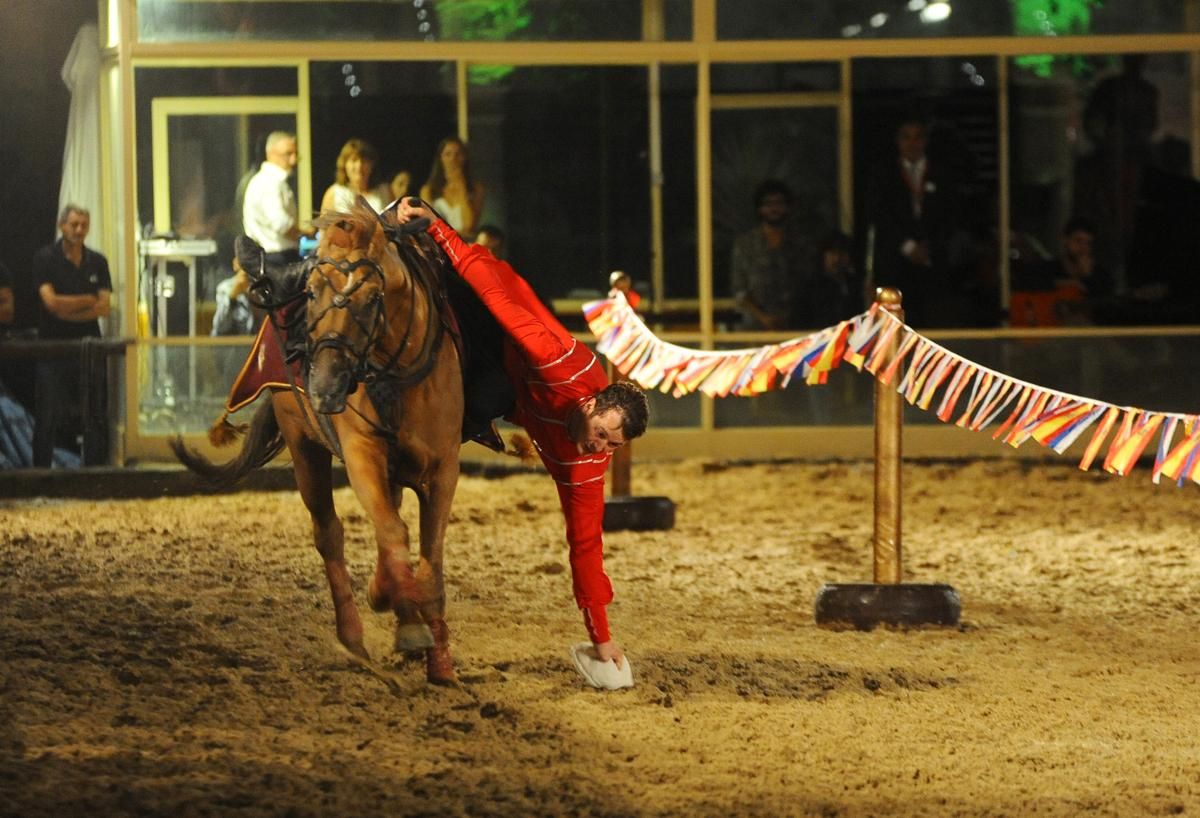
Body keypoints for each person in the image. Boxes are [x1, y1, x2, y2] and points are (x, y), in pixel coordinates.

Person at [397, 196, 649, 675]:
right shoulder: (559, 361)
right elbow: (499, 297)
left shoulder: (588, 465)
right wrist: (440, 231)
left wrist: (602, 637)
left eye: (611, 446)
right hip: (506, 335)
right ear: (592, 405)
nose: (599, 448)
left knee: (474, 408)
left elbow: (586, 545)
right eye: (601, 435)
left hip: (508, 394)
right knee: (454, 290)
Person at [31, 204, 112, 467]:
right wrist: (86, 300)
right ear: (61, 225)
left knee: (95, 413)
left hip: (89, 347)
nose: (79, 230)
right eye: (74, 224)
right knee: (47, 414)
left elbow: (104, 307)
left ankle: (95, 473)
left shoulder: (98, 261)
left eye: (84, 225)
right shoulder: (44, 258)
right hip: (52, 347)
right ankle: (41, 475)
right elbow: (49, 303)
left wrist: (67, 310)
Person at [866, 116, 964, 328]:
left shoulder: (942, 174)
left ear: (925, 141)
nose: (912, 144)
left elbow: (951, 215)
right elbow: (880, 214)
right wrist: (908, 246)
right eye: (906, 138)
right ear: (898, 141)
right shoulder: (884, 174)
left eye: (917, 138)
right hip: (895, 264)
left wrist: (931, 246)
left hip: (934, 266)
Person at [729, 179, 812, 330]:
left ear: (787, 207)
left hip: (792, 328)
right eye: (768, 204)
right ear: (760, 208)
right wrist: (763, 317)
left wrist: (786, 316)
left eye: (779, 203)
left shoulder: (799, 244)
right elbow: (739, 289)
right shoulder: (745, 244)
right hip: (752, 329)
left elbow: (805, 286)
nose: (774, 209)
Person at [242, 131, 313, 266]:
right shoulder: (270, 183)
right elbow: (281, 223)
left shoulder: (265, 180)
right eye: (288, 154)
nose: (293, 160)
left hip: (270, 257)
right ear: (271, 154)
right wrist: (304, 235)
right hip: (277, 259)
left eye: (295, 154)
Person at [792, 230, 862, 329]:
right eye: (832, 253)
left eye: (842, 253)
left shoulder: (854, 285)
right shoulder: (810, 286)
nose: (837, 259)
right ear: (823, 255)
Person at [420, 136, 486, 237]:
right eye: (448, 154)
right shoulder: (428, 190)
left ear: (464, 158)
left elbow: (469, 225)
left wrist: (461, 188)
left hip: (464, 245)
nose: (453, 159)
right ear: (441, 158)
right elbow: (431, 226)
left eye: (458, 154)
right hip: (439, 245)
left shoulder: (476, 189)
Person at [319, 138, 390, 214]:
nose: (359, 166)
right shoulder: (334, 193)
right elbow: (324, 225)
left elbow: (394, 224)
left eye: (364, 161)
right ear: (344, 165)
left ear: (372, 164)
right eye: (354, 160)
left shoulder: (385, 191)